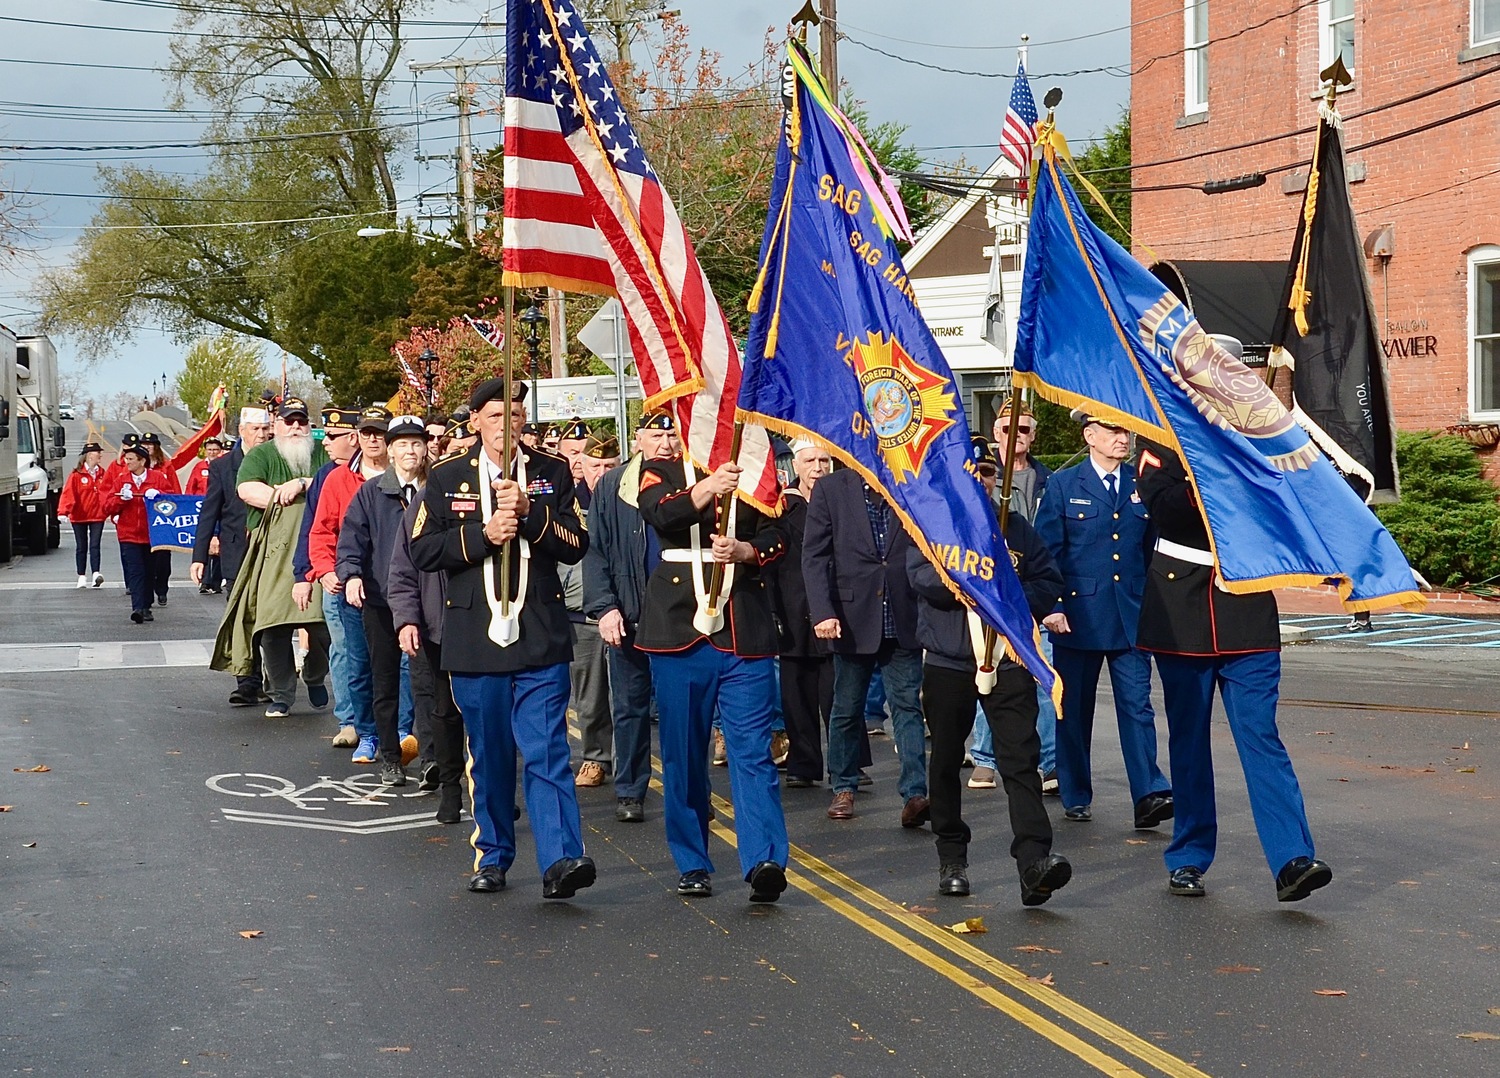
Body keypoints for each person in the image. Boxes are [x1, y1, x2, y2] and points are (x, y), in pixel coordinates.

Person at [409, 378, 596, 900]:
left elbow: (576, 543)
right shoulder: (446, 479)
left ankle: (561, 859)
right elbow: (422, 550)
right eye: (495, 416)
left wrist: (532, 514)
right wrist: (482, 536)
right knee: (490, 754)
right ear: (475, 422)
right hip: (475, 639)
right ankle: (493, 854)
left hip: (538, 634)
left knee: (547, 751)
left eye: (515, 415)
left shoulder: (550, 472)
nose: (506, 426)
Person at [1134, 438, 1332, 903]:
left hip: (1246, 605)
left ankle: (1292, 860)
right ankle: (1188, 856)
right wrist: (1222, 465)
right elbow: (1170, 511)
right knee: (1189, 741)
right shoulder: (1157, 440)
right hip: (1180, 610)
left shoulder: (1249, 439)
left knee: (1261, 735)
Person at [909, 435, 1071, 905]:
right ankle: (952, 854)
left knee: (1021, 759)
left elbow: (1047, 579)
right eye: (972, 473)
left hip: (1007, 659)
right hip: (949, 660)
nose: (981, 480)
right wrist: (972, 583)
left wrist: (1015, 603)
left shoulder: (1016, 528)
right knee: (945, 761)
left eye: (988, 473)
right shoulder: (932, 525)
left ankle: (1034, 861)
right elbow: (920, 577)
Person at [634, 446, 790, 903]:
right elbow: (659, 514)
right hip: (679, 630)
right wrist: (706, 488)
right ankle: (692, 861)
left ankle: (764, 859)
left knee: (752, 751)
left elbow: (780, 532)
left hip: (742, 626)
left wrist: (748, 550)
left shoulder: (753, 460)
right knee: (683, 753)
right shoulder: (660, 467)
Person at [1034, 412, 1173, 829]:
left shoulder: (1141, 483)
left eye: (1125, 430)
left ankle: (1148, 792)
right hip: (1077, 617)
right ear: (1089, 435)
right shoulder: (1063, 485)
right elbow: (1047, 554)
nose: (1122, 437)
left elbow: (1152, 550)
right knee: (1074, 710)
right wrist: (1052, 606)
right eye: (1113, 430)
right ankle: (1076, 791)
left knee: (1138, 707)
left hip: (1130, 615)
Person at [803, 466, 929, 827]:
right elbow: (814, 557)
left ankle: (915, 794)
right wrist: (822, 613)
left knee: (907, 707)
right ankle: (843, 786)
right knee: (846, 707)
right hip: (851, 617)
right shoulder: (830, 489)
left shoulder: (908, 483)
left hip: (902, 614)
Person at [583, 409, 678, 824]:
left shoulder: (691, 482)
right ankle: (630, 790)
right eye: (656, 437)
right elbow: (596, 551)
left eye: (673, 435)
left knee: (680, 712)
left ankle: (687, 790)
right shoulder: (612, 485)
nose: (666, 444)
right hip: (629, 614)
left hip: (680, 618)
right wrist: (604, 608)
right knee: (629, 709)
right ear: (637, 439)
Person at [220, 397, 332, 719]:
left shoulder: (322, 454)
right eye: (289, 421)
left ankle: (313, 674)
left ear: (309, 427)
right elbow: (246, 489)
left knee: (322, 623)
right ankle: (281, 694)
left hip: (316, 547)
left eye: (301, 422)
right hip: (271, 552)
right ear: (277, 425)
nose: (295, 427)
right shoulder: (261, 454)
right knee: (272, 625)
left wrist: (301, 485)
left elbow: (336, 486)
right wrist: (278, 494)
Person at [337, 415, 432, 787]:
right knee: (385, 680)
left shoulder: (438, 489)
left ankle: (431, 757)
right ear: (390, 451)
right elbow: (351, 541)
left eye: (417, 443)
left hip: (428, 603)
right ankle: (391, 757)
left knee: (429, 684)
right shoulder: (371, 493)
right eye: (403, 444)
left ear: (426, 449)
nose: (410, 450)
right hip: (381, 601)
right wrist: (352, 574)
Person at [973, 399, 1061, 793]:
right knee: (982, 677)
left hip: (1025, 608)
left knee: (1042, 687)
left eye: (1024, 430)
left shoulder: (1049, 480)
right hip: (980, 613)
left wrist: (1044, 605)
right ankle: (984, 758)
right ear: (997, 434)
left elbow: (1052, 557)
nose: (1016, 437)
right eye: (1009, 430)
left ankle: (1047, 763)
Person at [308, 406, 400, 764]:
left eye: (379, 432)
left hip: (398, 589)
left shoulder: (408, 477)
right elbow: (321, 531)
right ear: (358, 437)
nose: (373, 439)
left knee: (404, 666)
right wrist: (324, 570)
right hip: (350, 586)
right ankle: (363, 730)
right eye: (367, 433)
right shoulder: (338, 479)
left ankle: (404, 732)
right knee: (355, 662)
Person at [389, 447, 467, 823]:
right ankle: (451, 789)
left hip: (482, 626)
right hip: (437, 627)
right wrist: (407, 620)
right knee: (445, 714)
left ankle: (490, 789)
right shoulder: (423, 502)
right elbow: (402, 569)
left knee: (489, 716)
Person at [293, 406, 370, 751]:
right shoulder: (329, 476)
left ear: (353, 437)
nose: (326, 443)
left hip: (379, 577)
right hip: (337, 578)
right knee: (343, 650)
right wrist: (311, 573)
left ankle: (390, 722)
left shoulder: (386, 473)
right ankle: (350, 720)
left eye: (333, 437)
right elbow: (314, 528)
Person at [194, 408, 271, 705]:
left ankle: (276, 679)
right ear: (242, 431)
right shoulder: (223, 467)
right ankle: (249, 680)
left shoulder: (279, 462)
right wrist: (199, 556)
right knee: (241, 618)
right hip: (237, 553)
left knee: (270, 619)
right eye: (255, 430)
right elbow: (209, 512)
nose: (262, 435)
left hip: (272, 552)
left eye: (266, 430)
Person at [771, 440, 835, 788]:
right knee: (796, 694)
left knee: (838, 695)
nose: (818, 467)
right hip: (793, 607)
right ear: (795, 465)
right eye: (809, 460)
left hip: (835, 608)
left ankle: (847, 764)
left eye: (824, 459)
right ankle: (803, 763)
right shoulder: (781, 506)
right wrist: (772, 610)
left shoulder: (841, 502)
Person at [565, 431, 617, 789]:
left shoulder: (628, 499)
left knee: (629, 699)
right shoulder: (565, 503)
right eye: (595, 465)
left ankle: (629, 763)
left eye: (609, 465)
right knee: (590, 697)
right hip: (580, 614)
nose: (601, 471)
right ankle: (595, 758)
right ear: (580, 466)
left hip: (624, 613)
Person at [101, 443, 173, 624]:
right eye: (126, 458)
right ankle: (138, 607)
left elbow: (172, 502)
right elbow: (107, 507)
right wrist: (120, 499)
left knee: (150, 571)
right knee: (136, 570)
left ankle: (146, 605)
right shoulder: (121, 480)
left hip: (152, 534)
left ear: (142, 461)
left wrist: (159, 496)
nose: (127, 462)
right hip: (129, 534)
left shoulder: (157, 478)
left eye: (131, 459)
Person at [58, 442, 109, 589]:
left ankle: (95, 573)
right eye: (97, 452)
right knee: (81, 546)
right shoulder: (76, 475)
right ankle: (81, 576)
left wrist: (112, 511)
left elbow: (108, 493)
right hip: (79, 516)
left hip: (97, 515)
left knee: (95, 545)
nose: (100, 455)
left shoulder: (102, 474)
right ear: (89, 455)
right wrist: (63, 511)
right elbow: (69, 494)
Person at [140, 432, 179, 607]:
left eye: (151, 444)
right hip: (143, 520)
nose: (148, 447)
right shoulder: (138, 468)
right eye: (145, 444)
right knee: (146, 559)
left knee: (163, 558)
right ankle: (146, 592)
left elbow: (175, 490)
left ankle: (162, 588)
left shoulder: (166, 467)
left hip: (163, 517)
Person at [187, 437, 226, 592]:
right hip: (204, 509)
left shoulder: (224, 466)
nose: (212, 452)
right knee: (206, 543)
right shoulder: (199, 467)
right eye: (209, 450)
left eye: (215, 450)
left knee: (220, 545)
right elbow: (191, 487)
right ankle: (204, 580)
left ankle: (216, 581)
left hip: (221, 509)